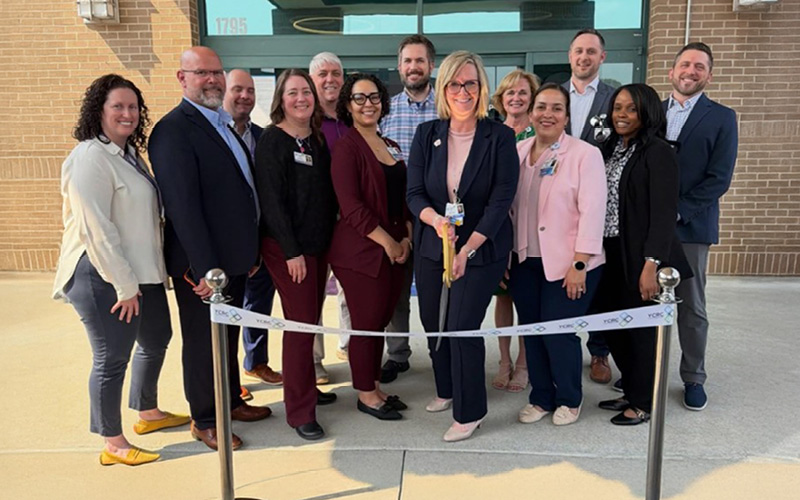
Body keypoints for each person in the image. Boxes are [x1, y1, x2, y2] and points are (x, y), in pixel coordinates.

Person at [53, 74, 188, 466]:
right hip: (102, 275)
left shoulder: (128, 153)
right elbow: (97, 227)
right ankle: (112, 442)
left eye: (133, 107)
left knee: (157, 336)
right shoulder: (90, 157)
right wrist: (125, 286)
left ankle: (147, 412)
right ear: (99, 111)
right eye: (118, 106)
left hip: (140, 272)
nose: (127, 114)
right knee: (112, 357)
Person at [149, 47, 272, 452]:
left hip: (233, 260)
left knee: (227, 337)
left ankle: (231, 400)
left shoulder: (221, 124)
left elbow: (238, 192)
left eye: (216, 72)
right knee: (203, 342)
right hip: (203, 269)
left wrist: (249, 252)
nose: (212, 80)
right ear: (182, 79)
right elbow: (183, 207)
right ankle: (205, 419)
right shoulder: (173, 130)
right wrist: (205, 270)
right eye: (201, 73)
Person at [407, 51, 519, 442]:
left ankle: (470, 410)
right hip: (433, 244)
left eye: (470, 83)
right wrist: (435, 221)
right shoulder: (427, 135)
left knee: (460, 327)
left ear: (481, 87)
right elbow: (415, 194)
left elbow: (501, 200)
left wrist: (467, 250)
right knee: (433, 322)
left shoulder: (500, 137)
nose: (463, 91)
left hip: (481, 249)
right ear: (444, 88)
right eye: (455, 83)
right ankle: (447, 388)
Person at [508, 83, 607, 426]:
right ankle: (541, 398)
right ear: (531, 112)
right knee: (532, 330)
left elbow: (593, 211)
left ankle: (569, 397)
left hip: (570, 262)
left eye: (556, 108)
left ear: (567, 116)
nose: (547, 114)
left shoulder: (584, 154)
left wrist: (580, 263)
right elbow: (510, 210)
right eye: (541, 107)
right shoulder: (518, 152)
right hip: (525, 260)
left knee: (558, 332)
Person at [594, 83, 692, 426]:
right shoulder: (607, 149)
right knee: (614, 328)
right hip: (607, 252)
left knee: (641, 332)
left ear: (646, 112)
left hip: (641, 255)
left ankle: (644, 402)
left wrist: (651, 264)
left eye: (630, 109)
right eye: (617, 107)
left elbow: (664, 213)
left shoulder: (658, 152)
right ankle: (633, 389)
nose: (621, 115)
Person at [254, 69, 339, 441]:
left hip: (317, 248)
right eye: (293, 93)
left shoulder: (315, 139)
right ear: (280, 100)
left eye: (306, 91)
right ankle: (299, 411)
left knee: (310, 321)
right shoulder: (273, 141)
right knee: (299, 327)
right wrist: (292, 252)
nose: (301, 98)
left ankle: (307, 388)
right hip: (289, 251)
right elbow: (271, 202)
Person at [328, 73, 413, 421]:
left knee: (380, 320)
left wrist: (405, 236)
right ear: (348, 105)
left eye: (374, 97)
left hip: (394, 249)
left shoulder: (389, 143)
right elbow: (351, 207)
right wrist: (389, 243)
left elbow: (403, 197)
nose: (368, 104)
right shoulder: (347, 148)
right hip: (362, 253)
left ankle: (375, 385)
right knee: (366, 324)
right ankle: (365, 394)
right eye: (360, 98)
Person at [664, 42, 738, 411]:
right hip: (649, 229)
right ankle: (645, 372)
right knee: (645, 302)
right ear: (671, 71)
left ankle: (693, 377)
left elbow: (719, 178)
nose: (690, 71)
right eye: (684, 64)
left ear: (708, 75)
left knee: (690, 308)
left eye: (698, 67)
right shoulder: (653, 113)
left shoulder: (722, 117)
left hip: (690, 227)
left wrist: (678, 212)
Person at [379, 34, 439, 384]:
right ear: (399, 67)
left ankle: (440, 352)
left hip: (437, 217)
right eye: (407, 61)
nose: (413, 67)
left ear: (431, 65)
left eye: (420, 61)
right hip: (398, 216)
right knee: (397, 291)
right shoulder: (385, 110)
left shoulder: (446, 109)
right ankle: (397, 353)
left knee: (435, 292)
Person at [562, 28, 616, 384]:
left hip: (598, 206)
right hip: (558, 206)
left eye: (591, 52)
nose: (584, 57)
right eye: (579, 51)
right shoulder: (552, 94)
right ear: (570, 55)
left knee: (596, 283)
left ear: (602, 58)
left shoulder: (614, 99)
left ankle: (599, 352)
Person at [223, 69, 283, 393]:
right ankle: (229, 381)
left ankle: (255, 362)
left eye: (249, 90)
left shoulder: (263, 136)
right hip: (229, 244)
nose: (244, 96)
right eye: (237, 90)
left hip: (260, 239)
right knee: (229, 312)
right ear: (224, 93)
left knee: (259, 301)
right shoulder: (215, 133)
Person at [488, 69, 540, 393]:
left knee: (527, 298)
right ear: (501, 98)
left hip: (532, 227)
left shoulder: (541, 134)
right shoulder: (493, 134)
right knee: (503, 296)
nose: (516, 98)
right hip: (499, 228)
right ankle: (504, 360)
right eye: (510, 93)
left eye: (523, 92)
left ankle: (523, 363)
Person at [309, 51, 351, 373]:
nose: (330, 79)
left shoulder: (352, 117)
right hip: (316, 219)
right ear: (312, 80)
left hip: (351, 218)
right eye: (322, 74)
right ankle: (314, 360)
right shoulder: (304, 119)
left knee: (350, 288)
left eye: (335, 73)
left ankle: (349, 344)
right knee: (313, 291)